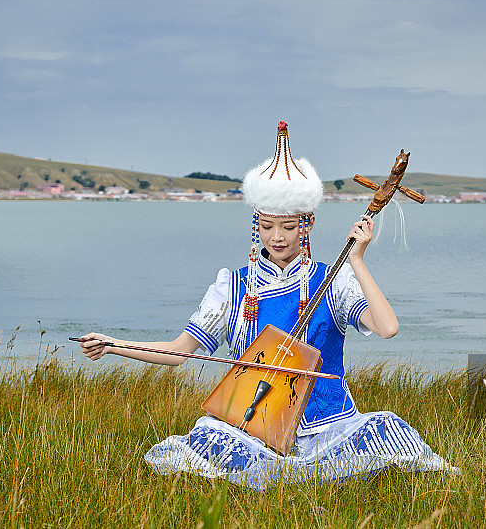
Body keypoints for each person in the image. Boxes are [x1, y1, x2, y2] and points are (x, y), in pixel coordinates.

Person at [79, 121, 455, 490]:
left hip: (331, 425)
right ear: (255, 224)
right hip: (253, 425)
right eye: (268, 225)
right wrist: (115, 345)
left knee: (388, 429)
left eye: (288, 227)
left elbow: (387, 328)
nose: (277, 237)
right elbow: (180, 352)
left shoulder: (333, 279)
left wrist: (357, 260)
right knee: (208, 437)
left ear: (307, 225)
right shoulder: (232, 285)